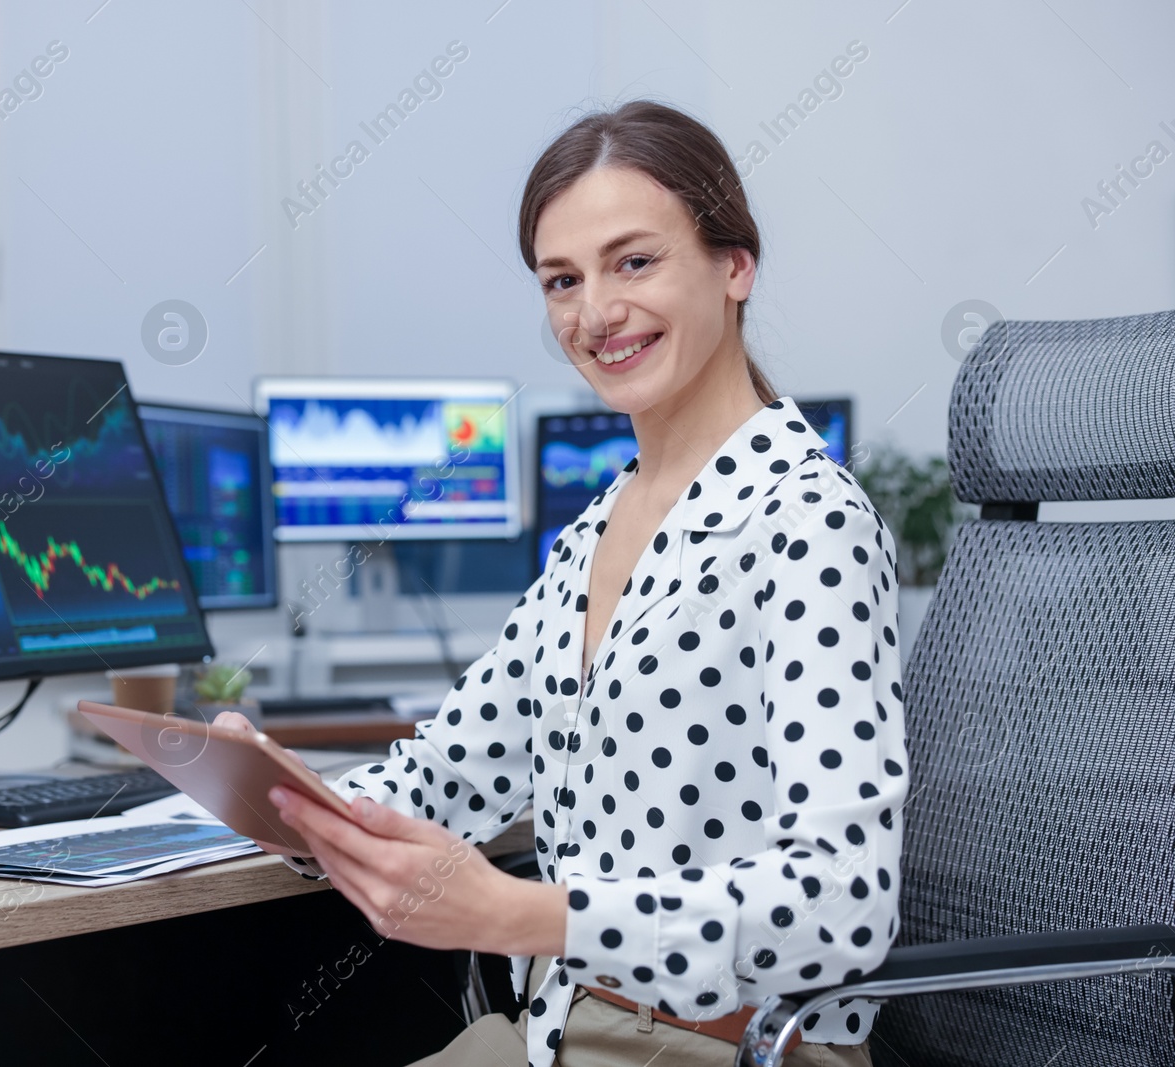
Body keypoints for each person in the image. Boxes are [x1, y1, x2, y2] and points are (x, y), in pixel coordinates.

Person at [218, 100, 908, 1067]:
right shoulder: (591, 536)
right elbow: (449, 778)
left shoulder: (806, 523)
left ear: (735, 266)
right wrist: (279, 800)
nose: (594, 314)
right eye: (561, 280)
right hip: (555, 1034)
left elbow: (844, 905)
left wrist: (529, 914)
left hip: (715, 1049)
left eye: (634, 262)